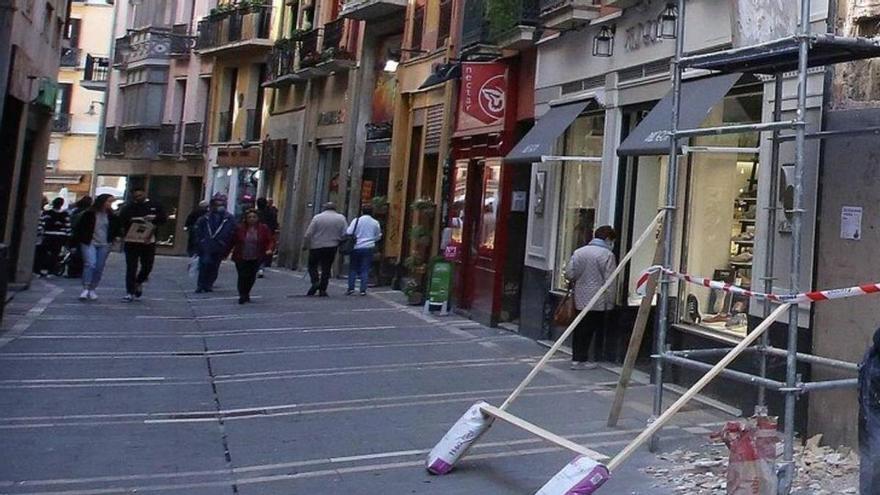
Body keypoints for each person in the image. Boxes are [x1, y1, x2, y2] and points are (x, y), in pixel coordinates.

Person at [564, 225, 618, 370]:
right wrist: (611, 302)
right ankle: (585, 358)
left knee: (580, 327)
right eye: (612, 240)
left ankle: (576, 358)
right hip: (597, 299)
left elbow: (569, 273)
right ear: (608, 239)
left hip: (580, 296)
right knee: (590, 328)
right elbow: (610, 280)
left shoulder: (579, 252)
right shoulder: (607, 255)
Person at [118, 188, 167, 302]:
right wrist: (134, 219)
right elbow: (122, 219)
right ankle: (129, 291)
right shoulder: (128, 207)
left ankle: (138, 281)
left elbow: (163, 218)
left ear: (145, 194)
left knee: (148, 265)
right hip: (132, 240)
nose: (138, 198)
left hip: (148, 239)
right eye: (136, 196)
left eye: (140, 195)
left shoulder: (155, 205)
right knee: (131, 267)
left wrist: (154, 218)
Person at [70, 194, 120, 301]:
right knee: (90, 264)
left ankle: (93, 288)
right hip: (89, 242)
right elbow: (79, 229)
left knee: (99, 266)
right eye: (108, 202)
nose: (110, 204)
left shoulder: (111, 216)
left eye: (111, 202)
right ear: (102, 202)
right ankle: (86, 288)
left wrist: (114, 239)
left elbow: (115, 228)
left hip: (104, 244)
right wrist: (74, 244)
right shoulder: (89, 214)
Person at [303, 202, 347, 297]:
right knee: (326, 267)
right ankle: (323, 289)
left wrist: (305, 245)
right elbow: (344, 233)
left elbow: (308, 233)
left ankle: (315, 282)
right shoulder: (341, 218)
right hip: (332, 246)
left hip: (316, 246)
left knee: (312, 265)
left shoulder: (317, 217)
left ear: (324, 208)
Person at [231, 209, 275, 304]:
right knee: (242, 276)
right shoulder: (240, 228)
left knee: (251, 277)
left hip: (256, 256)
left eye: (254, 217)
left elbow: (269, 240)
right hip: (241, 256)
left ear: (258, 218)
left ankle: (247, 292)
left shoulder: (263, 228)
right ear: (246, 219)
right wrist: (225, 253)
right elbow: (232, 241)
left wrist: (269, 249)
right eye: (249, 217)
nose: (252, 219)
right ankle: (242, 294)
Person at [194, 195, 236, 293]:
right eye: (216, 204)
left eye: (221, 204)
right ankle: (201, 284)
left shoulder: (228, 218)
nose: (219, 206)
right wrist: (200, 241)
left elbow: (233, 231)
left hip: (219, 245)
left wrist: (226, 243)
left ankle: (209, 284)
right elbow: (197, 230)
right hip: (206, 245)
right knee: (204, 264)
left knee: (214, 265)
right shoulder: (205, 218)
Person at [345, 205, 382, 296]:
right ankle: (363, 290)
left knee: (353, 268)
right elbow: (378, 236)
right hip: (368, 247)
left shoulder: (356, 221)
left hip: (356, 246)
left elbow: (349, 232)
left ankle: (351, 288)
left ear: (362, 211)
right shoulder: (375, 222)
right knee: (365, 269)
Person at [37, 197, 71, 277]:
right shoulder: (65, 214)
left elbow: (41, 224)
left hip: (48, 235)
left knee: (44, 253)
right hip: (60, 236)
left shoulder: (47, 213)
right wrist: (68, 236)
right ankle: (51, 270)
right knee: (55, 254)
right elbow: (68, 226)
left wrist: (39, 233)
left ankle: (42, 269)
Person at [67, 196, 93, 279]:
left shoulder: (75, 211)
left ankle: (72, 271)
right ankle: (80, 272)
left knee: (74, 254)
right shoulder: (89, 213)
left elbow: (71, 222)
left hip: (75, 234)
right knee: (83, 255)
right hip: (85, 236)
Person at [255, 197, 279, 278]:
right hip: (268, 236)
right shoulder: (271, 213)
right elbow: (274, 224)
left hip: (256, 235)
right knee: (264, 251)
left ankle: (258, 266)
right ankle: (262, 266)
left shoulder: (255, 214)